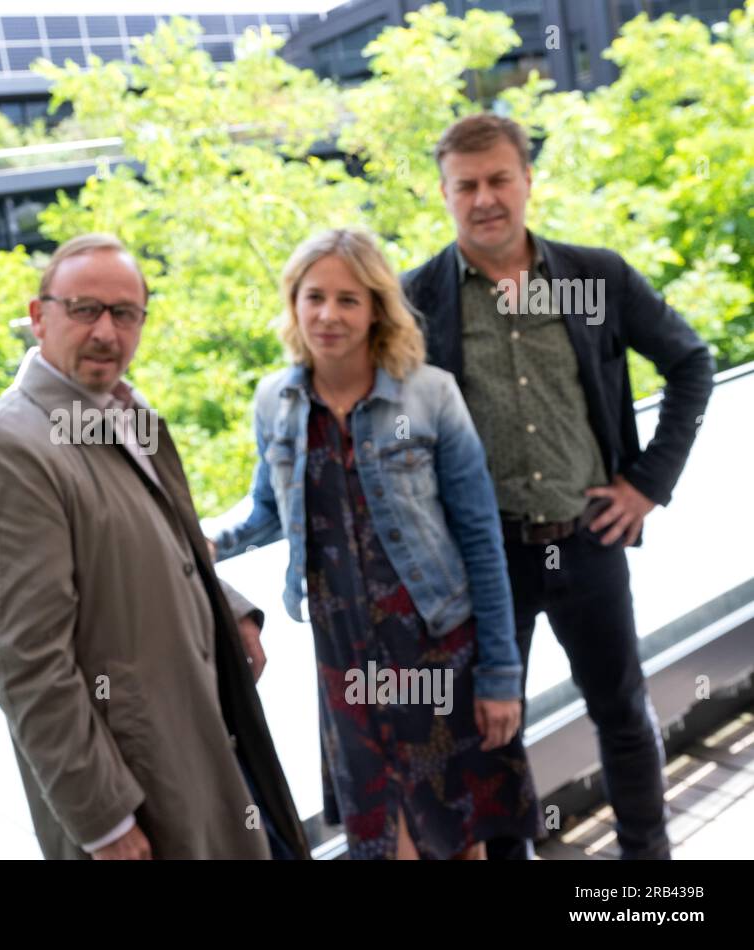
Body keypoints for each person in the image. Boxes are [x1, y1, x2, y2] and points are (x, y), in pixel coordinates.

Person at [403, 113, 714, 860]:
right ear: (444, 195)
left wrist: (646, 485)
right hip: (486, 564)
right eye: (466, 186)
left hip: (588, 541)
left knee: (622, 714)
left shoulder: (594, 278)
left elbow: (691, 363)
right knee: (491, 736)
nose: (485, 199)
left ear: (526, 180)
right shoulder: (418, 301)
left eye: (499, 179)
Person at [0, 234, 310, 860]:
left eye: (125, 314)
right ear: (39, 316)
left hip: (204, 731)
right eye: (84, 309)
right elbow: (27, 663)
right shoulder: (8, 450)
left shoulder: (122, 407)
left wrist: (229, 610)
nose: (106, 332)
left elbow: (154, 537)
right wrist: (104, 823)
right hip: (139, 787)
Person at [207, 229, 539, 860]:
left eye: (348, 300)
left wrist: (500, 675)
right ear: (294, 302)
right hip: (345, 662)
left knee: (459, 840)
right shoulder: (274, 401)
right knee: (386, 845)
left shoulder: (430, 394)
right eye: (314, 297)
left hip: (438, 650)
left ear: (377, 308)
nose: (328, 315)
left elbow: (481, 539)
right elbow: (268, 509)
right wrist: (210, 538)